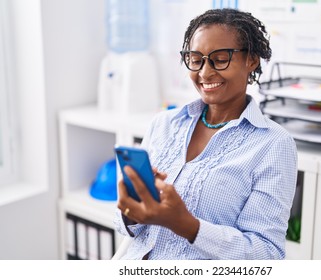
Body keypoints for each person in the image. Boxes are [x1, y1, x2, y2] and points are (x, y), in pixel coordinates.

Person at [114, 8, 297, 260]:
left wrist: (187, 225)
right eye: (196, 59)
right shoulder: (164, 124)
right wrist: (130, 210)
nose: (205, 73)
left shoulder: (273, 145)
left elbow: (267, 255)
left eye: (220, 59)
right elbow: (125, 225)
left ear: (251, 60)